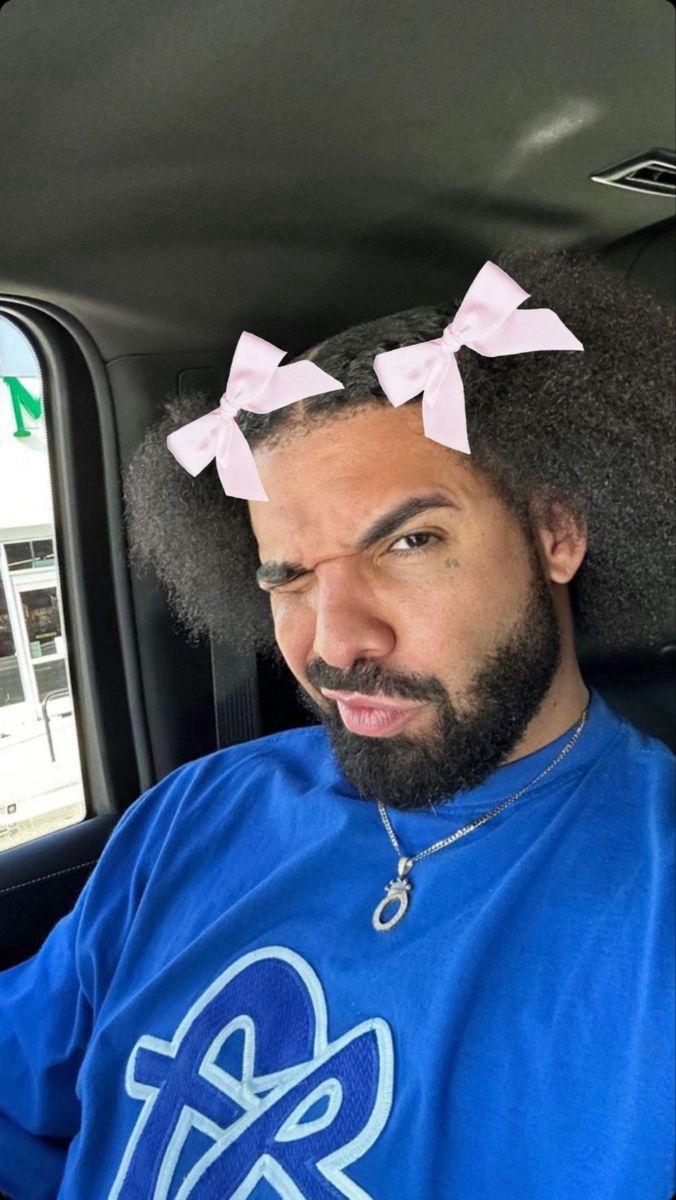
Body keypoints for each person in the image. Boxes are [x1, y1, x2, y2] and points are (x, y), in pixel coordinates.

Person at [0, 250, 673, 1200]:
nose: (336, 644)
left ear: (556, 531)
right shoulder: (198, 812)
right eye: (289, 577)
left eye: (408, 542)